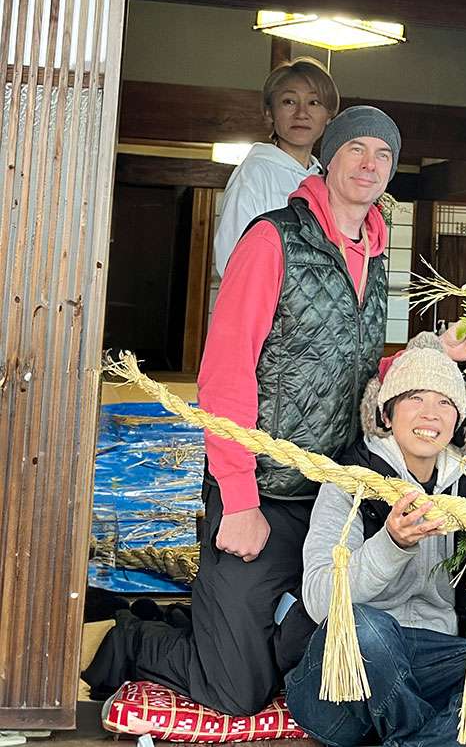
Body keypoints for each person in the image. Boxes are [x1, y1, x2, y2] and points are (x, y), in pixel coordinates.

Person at [84, 107, 421, 716]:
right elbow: (225, 372)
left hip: (332, 498)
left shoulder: (376, 251)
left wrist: (424, 357)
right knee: (235, 689)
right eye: (358, 150)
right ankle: (133, 638)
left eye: (384, 156)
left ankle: (210, 621)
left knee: (302, 665)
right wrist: (237, 499)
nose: (370, 165)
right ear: (331, 157)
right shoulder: (273, 238)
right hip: (261, 491)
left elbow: (357, 366)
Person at [285, 343, 466, 747]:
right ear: (386, 412)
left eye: (445, 402)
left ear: (459, 420)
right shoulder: (350, 481)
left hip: (437, 657)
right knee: (370, 629)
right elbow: (318, 600)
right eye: (414, 398)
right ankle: (437, 737)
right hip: (347, 678)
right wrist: (392, 543)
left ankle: (418, 740)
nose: (430, 413)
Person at [214, 56, 339, 277]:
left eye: (314, 102)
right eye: (289, 101)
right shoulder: (255, 173)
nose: (302, 113)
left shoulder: (326, 179)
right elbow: (232, 258)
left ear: (329, 115)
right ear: (270, 112)